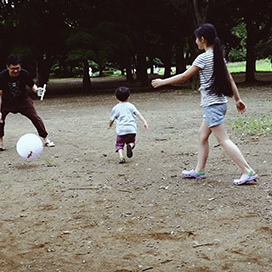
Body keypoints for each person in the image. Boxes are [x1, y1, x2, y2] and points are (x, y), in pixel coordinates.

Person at [151, 23, 258, 185]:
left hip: (213, 106)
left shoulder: (204, 58)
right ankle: (199, 170)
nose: (195, 42)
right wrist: (237, 99)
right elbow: (230, 80)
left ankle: (248, 171)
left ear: (202, 39)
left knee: (223, 140)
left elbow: (184, 77)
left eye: (196, 39)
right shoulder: (218, 57)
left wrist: (162, 82)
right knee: (202, 135)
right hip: (219, 104)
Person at [0, 55, 54, 153]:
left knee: (35, 118)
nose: (16, 71)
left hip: (22, 100)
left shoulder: (24, 74)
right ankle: (0, 145)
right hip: (7, 102)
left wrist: (38, 90)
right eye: (13, 69)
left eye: (18, 68)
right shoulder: (2, 76)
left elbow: (32, 86)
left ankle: (45, 139)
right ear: (8, 67)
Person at [108, 86, 149, 164]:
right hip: (131, 129)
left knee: (119, 144)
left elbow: (112, 119)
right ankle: (130, 145)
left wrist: (110, 125)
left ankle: (121, 157)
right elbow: (138, 114)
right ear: (128, 97)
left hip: (121, 130)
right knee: (131, 141)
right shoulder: (131, 106)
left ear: (116, 97)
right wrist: (144, 122)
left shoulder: (116, 108)